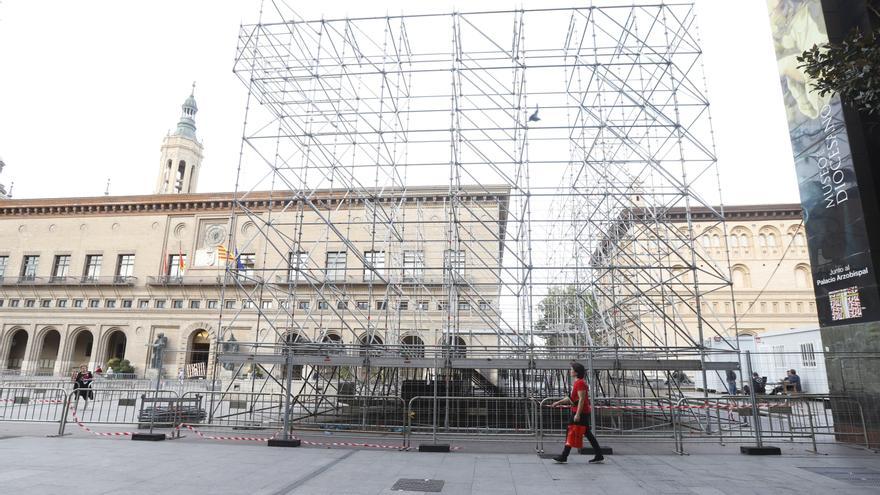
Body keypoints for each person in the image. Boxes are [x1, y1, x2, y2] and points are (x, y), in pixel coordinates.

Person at [550, 362, 604, 464]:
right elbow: (572, 399)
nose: (570, 371)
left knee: (570, 431)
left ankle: (564, 455)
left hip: (580, 412)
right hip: (581, 411)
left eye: (571, 369)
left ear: (576, 372)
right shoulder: (578, 382)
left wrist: (578, 414)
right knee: (587, 433)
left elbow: (581, 399)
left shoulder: (580, 383)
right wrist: (558, 402)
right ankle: (599, 454)